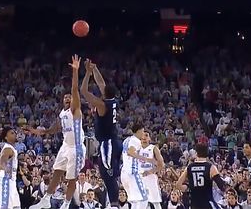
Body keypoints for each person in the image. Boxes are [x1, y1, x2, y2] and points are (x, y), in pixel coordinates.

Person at [27, 54, 86, 209]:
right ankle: (46, 200)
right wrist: (42, 132)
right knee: (57, 171)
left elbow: (74, 89)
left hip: (77, 148)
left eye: (70, 98)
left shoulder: (75, 110)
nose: (67, 99)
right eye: (65, 98)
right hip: (66, 146)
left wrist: (75, 71)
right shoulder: (63, 113)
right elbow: (57, 127)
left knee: (71, 178)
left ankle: (66, 204)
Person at [80, 59, 122, 208]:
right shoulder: (112, 100)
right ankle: (115, 203)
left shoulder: (103, 105)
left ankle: (115, 204)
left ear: (104, 94)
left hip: (107, 143)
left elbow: (84, 92)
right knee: (111, 174)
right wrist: (95, 68)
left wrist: (87, 73)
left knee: (108, 175)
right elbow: (101, 83)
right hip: (114, 141)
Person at [176, 143, 227, 209]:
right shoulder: (211, 167)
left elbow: (178, 185)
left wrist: (189, 187)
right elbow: (222, 186)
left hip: (194, 205)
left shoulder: (189, 167)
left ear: (196, 153)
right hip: (207, 204)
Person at [121, 124, 156, 209]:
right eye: (143, 131)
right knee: (143, 199)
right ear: (138, 131)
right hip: (132, 173)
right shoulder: (135, 140)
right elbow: (131, 152)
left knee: (135, 201)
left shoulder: (126, 140)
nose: (143, 133)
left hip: (124, 173)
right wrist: (147, 159)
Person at [0, 126, 20, 209]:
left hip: (11, 181)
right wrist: (2, 166)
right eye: (12, 133)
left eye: (14, 132)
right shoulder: (8, 149)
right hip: (6, 181)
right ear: (6, 137)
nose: (15, 134)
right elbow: (2, 161)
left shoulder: (10, 148)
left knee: (16, 207)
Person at [139, 130, 165, 209]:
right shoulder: (136, 148)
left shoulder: (153, 148)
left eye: (146, 135)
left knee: (155, 201)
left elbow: (162, 165)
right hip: (139, 177)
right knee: (141, 202)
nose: (144, 137)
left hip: (150, 177)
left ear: (149, 138)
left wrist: (150, 172)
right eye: (142, 135)